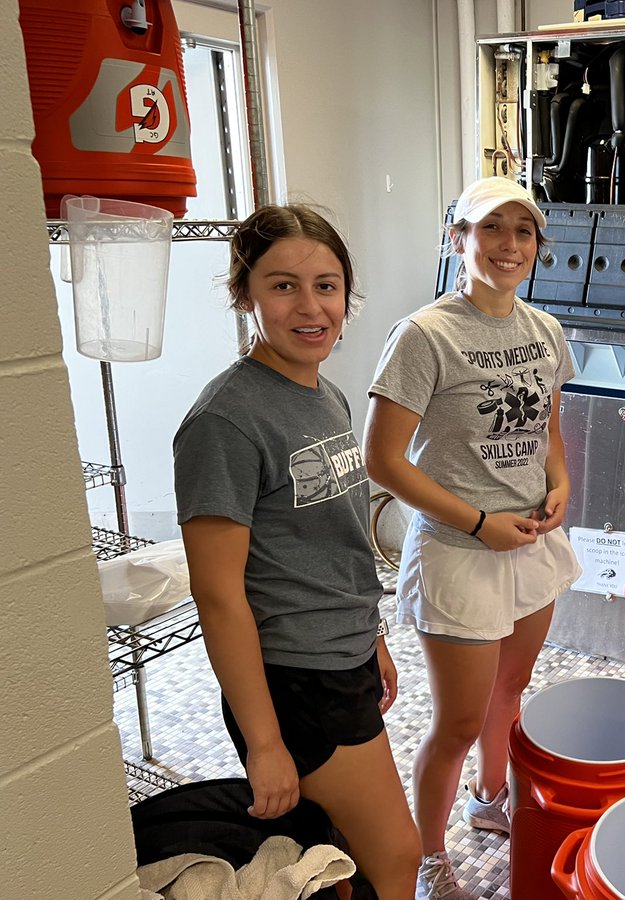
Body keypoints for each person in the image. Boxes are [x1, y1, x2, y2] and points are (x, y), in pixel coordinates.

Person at [173, 205, 421, 899]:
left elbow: (332, 542)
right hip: (295, 678)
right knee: (396, 857)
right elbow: (217, 595)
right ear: (245, 293)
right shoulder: (226, 421)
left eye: (327, 286)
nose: (311, 307)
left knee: (336, 861)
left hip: (340, 656)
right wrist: (264, 744)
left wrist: (370, 635)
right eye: (283, 286)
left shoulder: (325, 395)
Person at [364, 176, 581, 900]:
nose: (508, 245)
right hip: (460, 553)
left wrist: (560, 482)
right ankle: (430, 859)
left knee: (509, 692)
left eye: (523, 231)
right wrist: (481, 523)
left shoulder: (544, 331)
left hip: (530, 544)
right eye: (491, 228)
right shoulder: (424, 335)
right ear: (458, 238)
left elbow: (547, 429)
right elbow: (382, 460)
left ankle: (490, 799)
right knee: (456, 722)